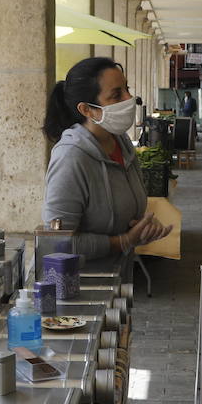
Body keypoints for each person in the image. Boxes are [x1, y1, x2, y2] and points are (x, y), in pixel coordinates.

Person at [42, 57, 173, 260]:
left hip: (116, 279)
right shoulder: (71, 158)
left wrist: (141, 227)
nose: (129, 98)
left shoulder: (121, 142)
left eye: (126, 88)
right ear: (86, 109)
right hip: (80, 284)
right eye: (116, 94)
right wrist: (122, 242)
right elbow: (56, 241)